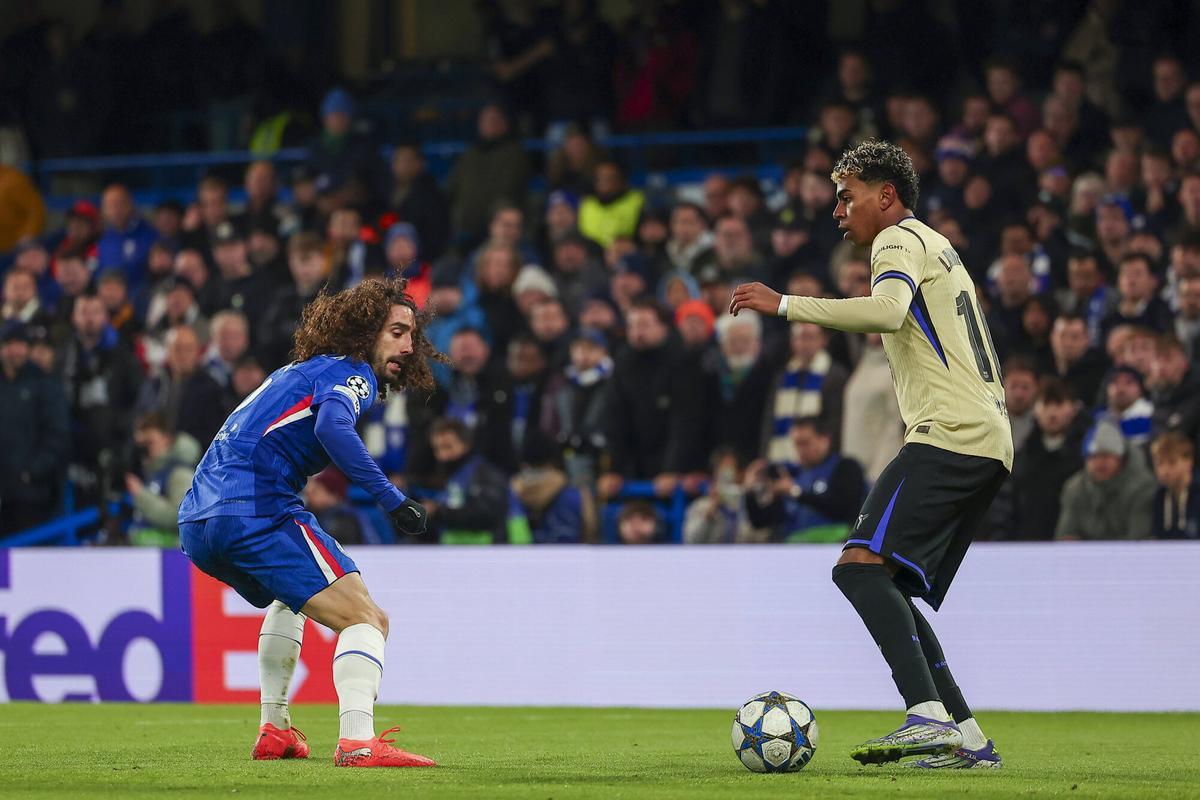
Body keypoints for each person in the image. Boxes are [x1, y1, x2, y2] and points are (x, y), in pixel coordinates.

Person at [730, 140, 1011, 768]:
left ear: (886, 196)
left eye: (846, 195)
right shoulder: (939, 246)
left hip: (950, 433)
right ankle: (967, 740)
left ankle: (925, 716)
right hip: (986, 439)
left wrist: (785, 304)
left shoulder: (898, 238)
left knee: (857, 566)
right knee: (888, 582)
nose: (837, 210)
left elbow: (887, 312)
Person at [177, 276, 442, 768]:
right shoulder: (352, 372)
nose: (409, 346)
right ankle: (358, 742)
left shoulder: (297, 372)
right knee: (368, 619)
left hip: (197, 519)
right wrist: (392, 499)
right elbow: (331, 427)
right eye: (398, 332)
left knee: (292, 597)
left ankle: (275, 728)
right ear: (365, 332)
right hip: (254, 508)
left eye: (413, 336)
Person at [0, 321, 68, 536]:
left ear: (28, 348)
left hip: (32, 495)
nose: (14, 351)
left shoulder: (44, 383)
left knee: (28, 558)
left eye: (19, 344)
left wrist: (32, 472)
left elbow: (58, 434)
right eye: (8, 344)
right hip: (3, 492)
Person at [1055, 422, 1156, 540]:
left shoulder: (1142, 487)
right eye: (1093, 457)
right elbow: (1066, 535)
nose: (1098, 463)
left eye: (1105, 456)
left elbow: (1138, 539)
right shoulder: (1074, 488)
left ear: (1120, 457)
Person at [124, 412, 200, 547]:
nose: (145, 450)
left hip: (171, 560)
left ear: (166, 438)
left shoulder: (180, 472)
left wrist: (140, 495)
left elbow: (182, 517)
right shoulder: (155, 472)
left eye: (149, 442)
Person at [1149, 432, 1200, 539]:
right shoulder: (1159, 496)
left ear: (1189, 462)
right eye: (1160, 463)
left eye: (1172, 463)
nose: (1164, 471)